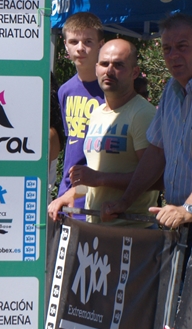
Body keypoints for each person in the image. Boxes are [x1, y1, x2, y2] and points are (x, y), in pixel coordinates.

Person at [48, 39, 157, 226]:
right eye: (104, 64)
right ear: (97, 68)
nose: (109, 71)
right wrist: (70, 194)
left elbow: (155, 178)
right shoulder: (97, 113)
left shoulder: (142, 114)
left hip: (134, 230)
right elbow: (95, 178)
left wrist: (99, 179)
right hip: (98, 229)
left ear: (135, 73)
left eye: (118, 65)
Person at [103, 14, 192, 229]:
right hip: (176, 223)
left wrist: (188, 208)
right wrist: (124, 202)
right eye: (167, 49)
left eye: (182, 46)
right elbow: (156, 152)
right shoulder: (171, 91)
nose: (173, 55)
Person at [56, 12, 105, 214]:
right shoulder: (65, 91)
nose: (80, 48)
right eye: (74, 41)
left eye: (88, 41)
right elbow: (72, 142)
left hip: (99, 197)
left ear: (101, 44)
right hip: (66, 194)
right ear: (65, 45)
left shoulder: (111, 90)